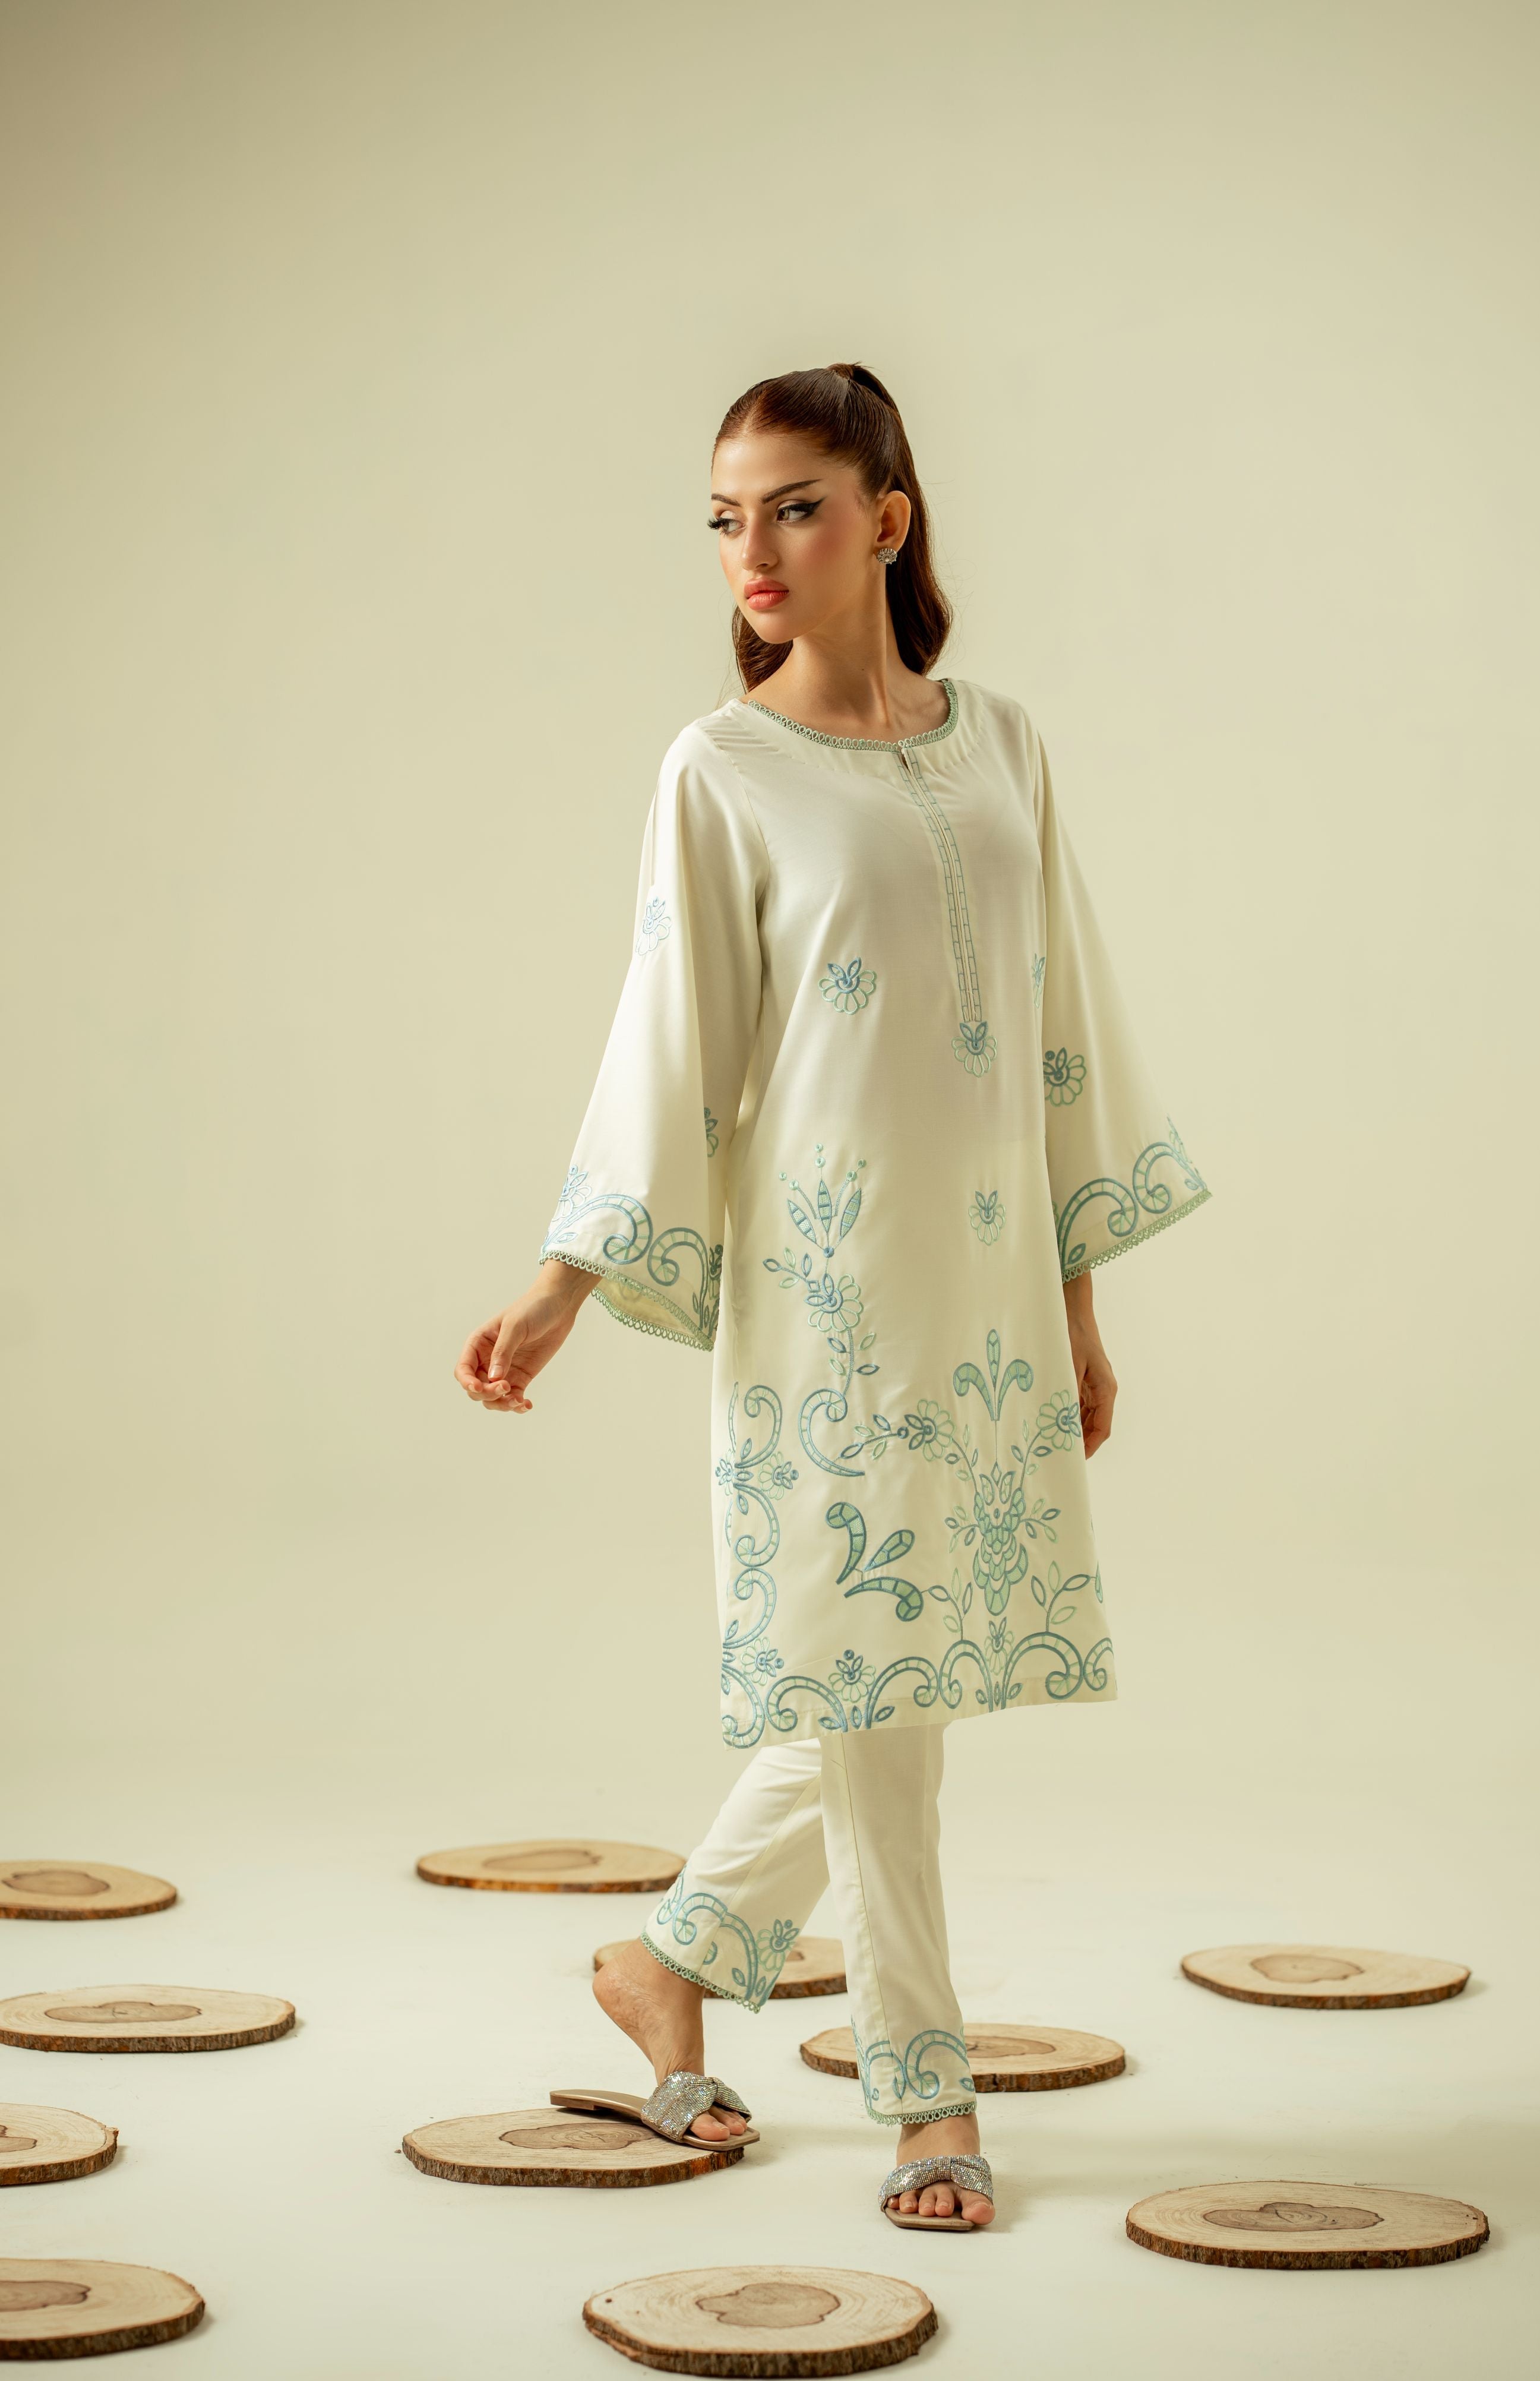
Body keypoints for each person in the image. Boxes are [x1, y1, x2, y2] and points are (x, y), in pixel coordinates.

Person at [455, 362, 1210, 2231]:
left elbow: (1058, 1033)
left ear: (887, 516)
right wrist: (563, 1281)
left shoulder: (1001, 743)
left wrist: (1080, 1302)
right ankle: (926, 2091)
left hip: (990, 1292)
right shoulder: (720, 768)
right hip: (829, 1302)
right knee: (874, 1675)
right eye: (728, 517)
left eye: (795, 506)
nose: (756, 550)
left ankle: (669, 1960)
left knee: (895, 1671)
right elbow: (674, 1043)